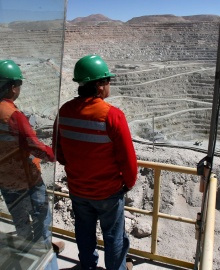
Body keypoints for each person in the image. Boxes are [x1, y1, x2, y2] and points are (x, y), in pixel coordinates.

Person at [53, 55, 137, 270]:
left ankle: (88, 266)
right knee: (114, 237)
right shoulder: (113, 116)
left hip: (78, 189)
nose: (109, 85)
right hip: (107, 191)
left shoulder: (64, 111)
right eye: (107, 81)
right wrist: (127, 183)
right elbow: (127, 159)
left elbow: (59, 153)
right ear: (99, 86)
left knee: (84, 231)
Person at [0, 60, 64, 253]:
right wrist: (55, 155)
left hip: (5, 180)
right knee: (42, 218)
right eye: (19, 85)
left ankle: (25, 254)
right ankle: (43, 255)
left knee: (20, 222)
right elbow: (34, 146)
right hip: (27, 180)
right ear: (12, 88)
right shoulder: (12, 115)